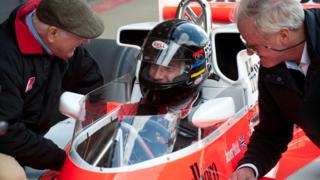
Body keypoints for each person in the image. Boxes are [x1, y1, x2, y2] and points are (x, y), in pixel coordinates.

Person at [0, 0, 104, 178]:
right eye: (79, 36)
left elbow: (94, 88)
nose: (86, 41)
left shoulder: (65, 46)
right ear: (53, 33)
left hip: (32, 134)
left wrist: (101, 138)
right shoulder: (5, 57)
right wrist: (63, 160)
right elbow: (5, 131)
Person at [231, 0, 320, 179]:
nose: (249, 52)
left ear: (283, 36)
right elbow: (272, 132)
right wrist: (249, 168)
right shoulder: (271, 68)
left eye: (253, 45)